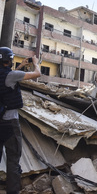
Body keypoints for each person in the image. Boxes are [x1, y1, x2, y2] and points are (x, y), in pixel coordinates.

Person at [0, 47, 41, 194]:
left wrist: (21, 66)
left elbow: (8, 79)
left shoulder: (7, 75)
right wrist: (35, 63)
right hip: (10, 124)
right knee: (13, 161)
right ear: (9, 59)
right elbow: (38, 73)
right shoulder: (11, 75)